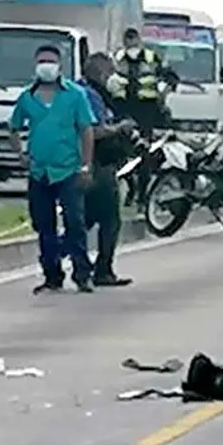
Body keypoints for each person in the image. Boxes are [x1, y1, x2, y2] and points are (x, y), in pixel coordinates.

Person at [8, 44, 98, 294]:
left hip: (68, 169)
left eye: (50, 61)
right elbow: (14, 127)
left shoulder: (75, 95)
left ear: (59, 66)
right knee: (43, 225)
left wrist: (86, 166)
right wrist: (21, 154)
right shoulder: (27, 97)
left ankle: (82, 274)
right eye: (41, 61)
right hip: (39, 171)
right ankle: (51, 275)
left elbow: (86, 130)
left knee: (75, 222)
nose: (46, 66)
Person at [77, 52, 137, 287]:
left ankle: (64, 262)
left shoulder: (86, 92)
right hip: (96, 163)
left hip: (90, 163)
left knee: (88, 217)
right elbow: (92, 131)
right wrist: (119, 128)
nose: (113, 77)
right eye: (111, 72)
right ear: (100, 73)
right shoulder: (90, 95)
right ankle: (101, 270)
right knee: (109, 219)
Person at [108, 27, 177, 204]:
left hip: (146, 110)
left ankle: (142, 195)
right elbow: (108, 80)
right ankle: (130, 189)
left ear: (138, 40)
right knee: (121, 152)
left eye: (133, 39)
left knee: (144, 153)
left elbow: (170, 77)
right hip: (122, 109)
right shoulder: (116, 58)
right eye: (128, 39)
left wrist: (163, 93)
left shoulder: (151, 57)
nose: (131, 43)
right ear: (124, 41)